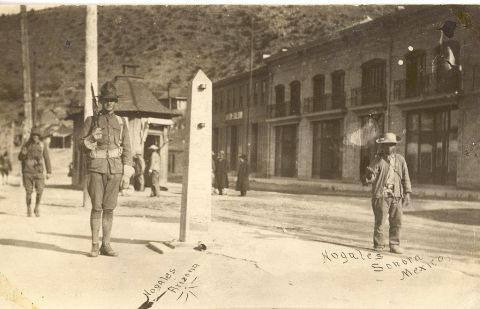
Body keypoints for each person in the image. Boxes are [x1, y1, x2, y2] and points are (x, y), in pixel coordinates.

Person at [80, 81, 134, 257]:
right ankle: (95, 244)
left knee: (109, 208)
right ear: (101, 101)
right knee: (97, 208)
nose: (109, 103)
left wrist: (127, 173)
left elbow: (127, 148)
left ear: (116, 101)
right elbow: (80, 146)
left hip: (116, 170)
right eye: (106, 99)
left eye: (112, 100)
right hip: (96, 168)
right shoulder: (91, 120)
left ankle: (106, 244)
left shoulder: (121, 121)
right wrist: (91, 138)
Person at [363, 132, 412, 254]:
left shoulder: (400, 160)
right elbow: (371, 177)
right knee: (380, 221)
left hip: (396, 195)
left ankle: (394, 244)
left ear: (395, 146)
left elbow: (405, 177)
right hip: (381, 195)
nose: (388, 147)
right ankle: (379, 244)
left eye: (391, 145)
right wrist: (369, 175)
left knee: (397, 221)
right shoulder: (378, 159)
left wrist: (407, 193)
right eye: (386, 145)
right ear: (382, 146)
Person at [18, 127, 52, 217]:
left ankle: (37, 207)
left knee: (40, 190)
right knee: (28, 191)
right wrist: (23, 154)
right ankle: (28, 208)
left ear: (39, 136)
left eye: (37, 135)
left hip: (39, 171)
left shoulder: (42, 145)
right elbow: (20, 158)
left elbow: (47, 158)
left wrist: (49, 171)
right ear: (31, 136)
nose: (35, 137)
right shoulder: (26, 145)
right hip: (27, 171)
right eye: (33, 135)